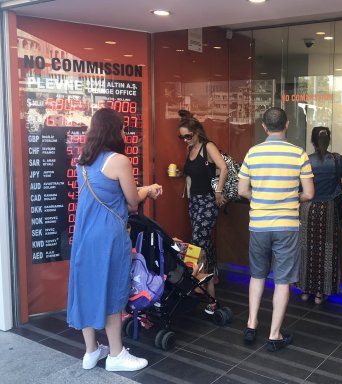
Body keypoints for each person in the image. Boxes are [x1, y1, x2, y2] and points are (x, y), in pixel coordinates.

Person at [67, 108, 163, 371]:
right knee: (112, 290)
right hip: (109, 237)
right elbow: (132, 202)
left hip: (84, 236)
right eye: (121, 128)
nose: (123, 132)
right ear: (113, 131)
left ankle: (91, 351)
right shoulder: (119, 160)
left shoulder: (82, 161)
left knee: (85, 288)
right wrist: (148, 189)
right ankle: (116, 355)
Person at [238, 107, 314, 352]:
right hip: (286, 226)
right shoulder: (298, 154)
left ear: (264, 127)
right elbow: (309, 193)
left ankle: (251, 324)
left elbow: (241, 191)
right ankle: (274, 335)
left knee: (257, 275)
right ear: (287, 124)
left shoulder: (253, 153)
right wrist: (291, 199)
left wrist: (260, 199)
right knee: (282, 281)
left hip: (259, 225)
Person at [178, 110, 228, 314]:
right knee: (204, 241)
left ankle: (207, 292)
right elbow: (192, 175)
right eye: (182, 137)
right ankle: (211, 276)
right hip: (194, 201)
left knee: (198, 242)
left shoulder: (208, 146)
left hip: (208, 200)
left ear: (197, 132)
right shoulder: (189, 150)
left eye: (188, 136)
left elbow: (223, 168)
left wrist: (218, 192)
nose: (185, 140)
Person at [298, 126, 342, 304]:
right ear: (329, 141)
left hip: (308, 210)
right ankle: (320, 293)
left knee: (307, 249)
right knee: (327, 251)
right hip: (329, 210)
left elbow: (299, 187)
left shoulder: (306, 160)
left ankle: (306, 290)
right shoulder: (336, 159)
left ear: (313, 142)